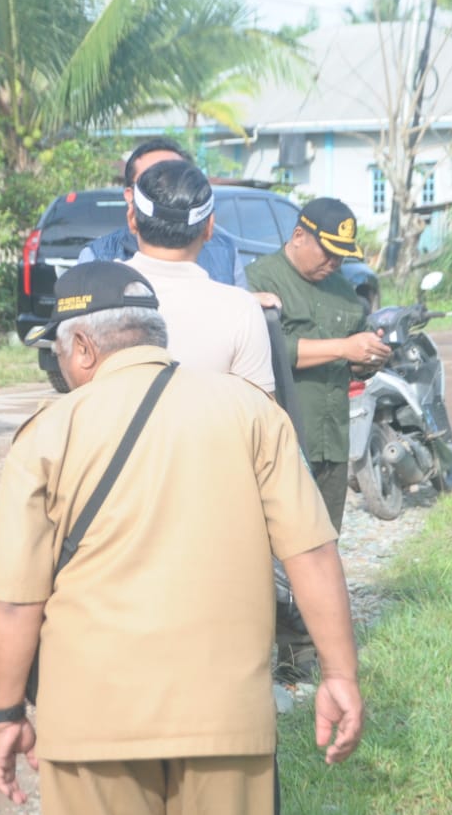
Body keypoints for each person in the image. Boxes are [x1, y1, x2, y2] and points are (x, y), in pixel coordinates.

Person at [0, 261, 365, 815]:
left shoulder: (50, 432)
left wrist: (5, 715)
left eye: (58, 351)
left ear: (83, 346)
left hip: (93, 725)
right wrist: (339, 675)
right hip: (224, 719)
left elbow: (17, 601)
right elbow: (313, 554)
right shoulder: (250, 411)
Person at [245, 197, 391, 537]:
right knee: (277, 546)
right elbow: (267, 349)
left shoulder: (341, 288)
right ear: (299, 235)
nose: (334, 261)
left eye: (341, 254)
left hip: (333, 441)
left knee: (325, 540)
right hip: (282, 442)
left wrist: (369, 357)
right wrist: (343, 347)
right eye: (327, 251)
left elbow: (353, 355)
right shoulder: (259, 280)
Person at [121, 158, 273, 393]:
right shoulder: (241, 309)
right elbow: (261, 413)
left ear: (132, 219)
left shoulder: (93, 292)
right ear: (209, 227)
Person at [77, 138, 248, 287]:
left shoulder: (225, 253)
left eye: (177, 180)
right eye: (151, 183)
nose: (167, 192)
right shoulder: (97, 257)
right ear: (130, 198)